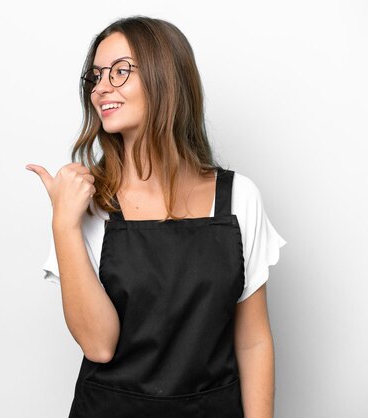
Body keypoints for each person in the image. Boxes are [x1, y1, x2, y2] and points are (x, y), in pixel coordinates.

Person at [26, 16, 286, 418]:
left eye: (120, 71)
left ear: (165, 77)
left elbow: (253, 341)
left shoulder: (238, 199)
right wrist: (63, 224)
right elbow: (99, 345)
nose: (101, 89)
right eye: (95, 77)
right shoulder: (88, 203)